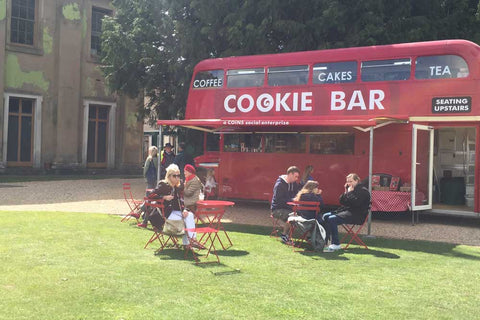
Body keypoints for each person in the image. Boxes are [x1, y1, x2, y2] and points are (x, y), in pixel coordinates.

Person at [143, 164, 202, 247]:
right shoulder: (163, 185)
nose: (177, 178)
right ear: (169, 176)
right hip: (165, 214)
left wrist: (185, 209)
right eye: (175, 176)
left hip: (176, 211)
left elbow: (181, 200)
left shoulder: (178, 186)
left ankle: (190, 242)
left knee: (190, 215)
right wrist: (164, 197)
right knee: (185, 220)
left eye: (178, 175)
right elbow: (150, 195)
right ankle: (190, 242)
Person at [322, 173, 370, 252]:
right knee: (325, 216)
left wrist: (349, 193)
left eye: (351, 181)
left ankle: (336, 244)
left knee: (332, 219)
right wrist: (346, 192)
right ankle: (326, 241)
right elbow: (342, 202)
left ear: (357, 181)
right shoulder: (351, 189)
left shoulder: (363, 191)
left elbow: (356, 203)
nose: (349, 183)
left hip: (357, 215)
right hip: (347, 212)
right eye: (347, 181)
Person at [270, 166, 301, 244]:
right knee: (292, 216)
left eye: (297, 177)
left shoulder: (293, 184)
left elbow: (296, 194)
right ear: (290, 174)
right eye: (295, 176)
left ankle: (308, 237)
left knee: (299, 215)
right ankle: (284, 235)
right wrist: (291, 202)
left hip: (288, 208)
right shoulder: (279, 184)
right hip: (277, 209)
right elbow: (279, 200)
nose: (297, 179)